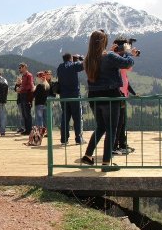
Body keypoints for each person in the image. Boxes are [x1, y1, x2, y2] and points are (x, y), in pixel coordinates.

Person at [81, 30, 137, 172]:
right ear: (104, 42)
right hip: (110, 96)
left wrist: (113, 53)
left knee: (101, 127)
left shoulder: (88, 59)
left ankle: (88, 156)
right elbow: (127, 63)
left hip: (93, 97)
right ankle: (106, 163)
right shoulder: (109, 56)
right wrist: (128, 52)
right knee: (111, 129)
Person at [57, 53, 85, 145]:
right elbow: (84, 64)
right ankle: (78, 139)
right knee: (77, 118)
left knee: (65, 117)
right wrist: (80, 58)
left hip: (63, 96)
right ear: (70, 58)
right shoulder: (74, 65)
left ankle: (64, 140)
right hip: (74, 96)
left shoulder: (60, 67)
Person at [113, 67, 136, 155]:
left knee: (122, 123)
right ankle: (115, 146)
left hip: (122, 97)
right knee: (119, 123)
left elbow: (127, 85)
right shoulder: (120, 71)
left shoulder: (123, 73)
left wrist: (134, 93)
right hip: (119, 98)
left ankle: (122, 144)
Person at [17, 62, 34, 135]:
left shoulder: (29, 75)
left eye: (20, 67)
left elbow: (30, 86)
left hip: (26, 95)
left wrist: (21, 88)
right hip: (22, 95)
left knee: (27, 113)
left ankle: (29, 130)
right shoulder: (23, 76)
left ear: (24, 67)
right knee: (24, 114)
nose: (19, 69)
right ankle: (27, 130)